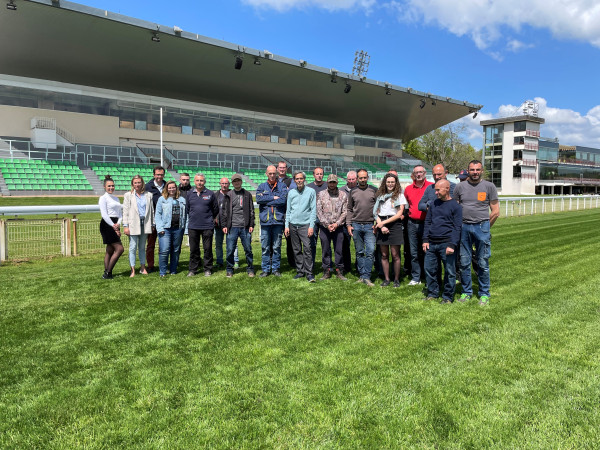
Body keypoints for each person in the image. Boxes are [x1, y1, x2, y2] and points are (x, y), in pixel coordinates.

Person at [453, 160, 500, 306]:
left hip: (482, 227)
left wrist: (485, 226)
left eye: (477, 170)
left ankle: (484, 294)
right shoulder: (460, 187)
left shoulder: (489, 186)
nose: (475, 172)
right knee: (465, 262)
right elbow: (455, 208)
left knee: (482, 262)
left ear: (482, 171)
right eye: (472, 170)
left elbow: (496, 211)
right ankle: (466, 292)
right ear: (468, 170)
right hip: (464, 228)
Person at [422, 179, 462, 303]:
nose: (436, 193)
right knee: (430, 269)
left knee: (450, 272)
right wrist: (425, 239)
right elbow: (428, 222)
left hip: (447, 243)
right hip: (431, 243)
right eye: (435, 190)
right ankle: (433, 293)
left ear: (447, 189)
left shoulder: (456, 206)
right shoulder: (434, 204)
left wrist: (452, 244)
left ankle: (448, 296)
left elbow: (457, 227)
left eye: (438, 190)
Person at [373, 173, 407, 287]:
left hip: (394, 224)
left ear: (396, 183)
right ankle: (387, 279)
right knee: (384, 254)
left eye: (392, 182)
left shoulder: (399, 196)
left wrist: (384, 223)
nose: (390, 184)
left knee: (395, 254)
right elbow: (375, 213)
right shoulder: (380, 196)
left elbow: (399, 214)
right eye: (388, 182)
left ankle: (396, 279)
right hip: (381, 223)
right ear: (385, 183)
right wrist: (381, 225)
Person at [255, 165, 288, 277]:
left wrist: (267, 200)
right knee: (265, 247)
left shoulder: (282, 186)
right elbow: (259, 199)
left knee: (276, 247)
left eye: (274, 173)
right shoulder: (261, 186)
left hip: (278, 221)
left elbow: (283, 200)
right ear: (266, 174)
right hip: (265, 221)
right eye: (270, 173)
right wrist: (273, 198)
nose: (272, 175)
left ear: (277, 173)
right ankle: (265, 269)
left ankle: (275, 269)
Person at [347, 169, 377, 286]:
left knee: (370, 251)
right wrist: (349, 225)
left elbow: (378, 208)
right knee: (359, 252)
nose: (363, 180)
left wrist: (376, 223)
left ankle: (367, 276)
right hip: (356, 225)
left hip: (370, 225)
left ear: (367, 177)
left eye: (365, 177)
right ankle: (361, 275)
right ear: (357, 179)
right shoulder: (353, 191)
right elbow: (349, 209)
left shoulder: (374, 190)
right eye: (361, 178)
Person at [404, 165, 434, 285]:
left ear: (425, 173)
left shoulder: (432, 186)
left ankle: (428, 277)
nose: (419, 174)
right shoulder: (408, 189)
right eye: (416, 172)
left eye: (421, 172)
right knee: (414, 252)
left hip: (428, 224)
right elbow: (406, 205)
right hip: (412, 223)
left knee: (428, 251)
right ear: (414, 174)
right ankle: (416, 277)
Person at [221, 174, 255, 278]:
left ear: (241, 182)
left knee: (248, 249)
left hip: (245, 227)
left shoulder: (247, 194)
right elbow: (224, 212)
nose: (237, 183)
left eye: (238, 181)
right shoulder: (228, 195)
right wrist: (224, 225)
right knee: (230, 250)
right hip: (232, 227)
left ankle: (250, 269)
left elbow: (251, 210)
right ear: (232, 183)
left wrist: (251, 224)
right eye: (234, 181)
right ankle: (229, 269)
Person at [285, 171, 317, 282]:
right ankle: (300, 271)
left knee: (307, 249)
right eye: (297, 179)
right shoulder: (291, 193)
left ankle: (309, 273)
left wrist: (311, 226)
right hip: (293, 225)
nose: (299, 180)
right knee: (296, 249)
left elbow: (313, 210)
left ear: (304, 179)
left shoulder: (311, 191)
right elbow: (288, 210)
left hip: (305, 225)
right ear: (294, 180)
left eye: (301, 178)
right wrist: (286, 226)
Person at [316, 174, 348, 281]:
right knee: (325, 249)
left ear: (337, 183)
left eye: (334, 182)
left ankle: (339, 270)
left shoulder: (343, 195)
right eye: (330, 182)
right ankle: (327, 270)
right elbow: (319, 211)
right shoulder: (321, 194)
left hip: (338, 227)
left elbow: (345, 212)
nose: (332, 184)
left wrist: (336, 224)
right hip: (325, 227)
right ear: (327, 182)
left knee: (339, 249)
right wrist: (327, 224)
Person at [186, 173, 218, 277]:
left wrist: (209, 219)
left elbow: (215, 209)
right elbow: (188, 209)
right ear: (194, 182)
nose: (199, 183)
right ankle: (193, 269)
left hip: (207, 226)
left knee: (207, 248)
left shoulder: (210, 194)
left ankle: (208, 269)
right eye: (197, 180)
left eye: (201, 181)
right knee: (194, 249)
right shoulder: (190, 194)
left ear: (204, 182)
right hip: (193, 226)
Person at [122, 175, 154, 277]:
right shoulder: (128, 195)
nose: (137, 184)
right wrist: (125, 226)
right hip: (133, 224)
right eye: (135, 183)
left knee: (142, 247)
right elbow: (125, 211)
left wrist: (152, 224)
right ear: (132, 184)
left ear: (142, 183)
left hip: (145, 223)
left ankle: (142, 267)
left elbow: (151, 211)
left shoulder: (148, 195)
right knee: (133, 247)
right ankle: (132, 269)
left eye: (139, 182)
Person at [155, 180, 187, 277]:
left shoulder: (182, 199)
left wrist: (185, 229)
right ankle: (163, 272)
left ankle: (173, 270)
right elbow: (158, 214)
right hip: (165, 228)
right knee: (164, 250)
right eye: (170, 188)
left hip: (178, 228)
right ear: (166, 189)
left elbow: (186, 215)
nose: (172, 189)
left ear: (176, 188)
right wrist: (160, 228)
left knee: (176, 250)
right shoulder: (162, 199)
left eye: (173, 187)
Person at [98, 175, 123, 279]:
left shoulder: (116, 198)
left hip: (115, 223)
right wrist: (114, 226)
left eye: (112, 186)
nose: (111, 187)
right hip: (107, 224)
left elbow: (120, 213)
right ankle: (108, 272)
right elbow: (104, 214)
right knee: (120, 249)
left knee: (110, 249)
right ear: (104, 186)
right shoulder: (103, 198)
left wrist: (118, 223)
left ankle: (107, 272)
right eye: (109, 186)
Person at [144, 166, 166, 272]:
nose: (159, 176)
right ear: (154, 175)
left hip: (165, 221)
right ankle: (150, 266)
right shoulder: (148, 187)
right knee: (151, 245)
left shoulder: (167, 186)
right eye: (157, 174)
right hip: (152, 221)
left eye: (161, 174)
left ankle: (164, 265)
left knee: (164, 245)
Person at [214, 177, 239, 269]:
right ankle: (219, 261)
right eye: (223, 183)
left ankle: (235, 261)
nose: (224, 185)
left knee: (233, 244)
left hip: (231, 224)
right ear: (220, 184)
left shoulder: (232, 194)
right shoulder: (215, 195)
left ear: (229, 184)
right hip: (218, 224)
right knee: (218, 244)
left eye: (226, 183)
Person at [277, 160, 296, 270]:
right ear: (277, 168)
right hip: (276, 213)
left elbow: (291, 193)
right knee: (275, 240)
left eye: (284, 167)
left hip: (288, 214)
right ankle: (275, 262)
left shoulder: (291, 180)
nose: (282, 169)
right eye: (280, 167)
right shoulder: (273, 179)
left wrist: (282, 192)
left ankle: (292, 261)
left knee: (290, 239)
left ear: (286, 168)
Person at [307, 167, 328, 264]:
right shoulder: (308, 187)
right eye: (317, 174)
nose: (319, 176)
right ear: (313, 175)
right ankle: (311, 265)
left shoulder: (328, 186)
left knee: (325, 242)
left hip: (325, 218)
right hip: (312, 218)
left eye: (321, 174)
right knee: (312, 242)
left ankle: (327, 265)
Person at [340, 170, 357, 274]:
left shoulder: (361, 189)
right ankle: (346, 266)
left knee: (359, 246)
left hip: (358, 221)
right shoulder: (341, 190)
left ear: (356, 179)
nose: (351, 181)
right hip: (345, 222)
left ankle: (359, 266)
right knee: (345, 245)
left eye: (353, 179)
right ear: (346, 179)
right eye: (349, 179)